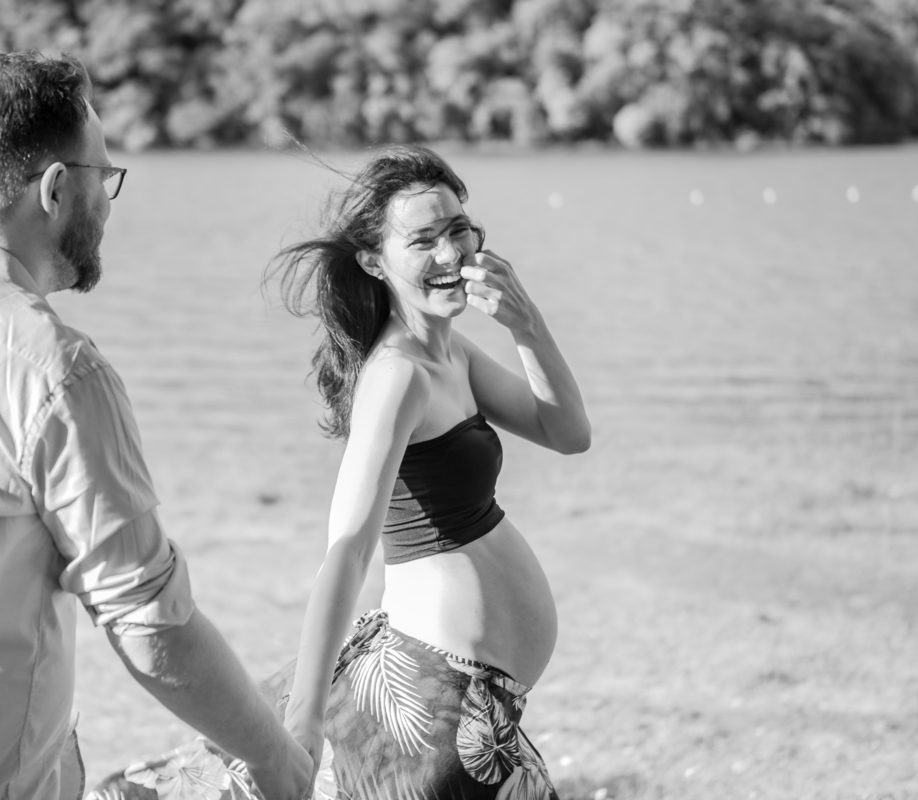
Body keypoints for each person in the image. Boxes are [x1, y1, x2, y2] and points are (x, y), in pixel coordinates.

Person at [0, 52, 311, 800]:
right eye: (105, 176)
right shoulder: (54, 368)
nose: (107, 200)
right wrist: (277, 763)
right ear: (56, 189)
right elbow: (151, 627)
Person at [91, 146, 590, 800]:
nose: (450, 254)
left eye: (459, 229)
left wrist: (527, 324)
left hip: (466, 689)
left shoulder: (451, 355)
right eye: (423, 240)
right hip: (436, 689)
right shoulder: (399, 375)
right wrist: (303, 719)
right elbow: (349, 548)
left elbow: (567, 432)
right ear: (374, 261)